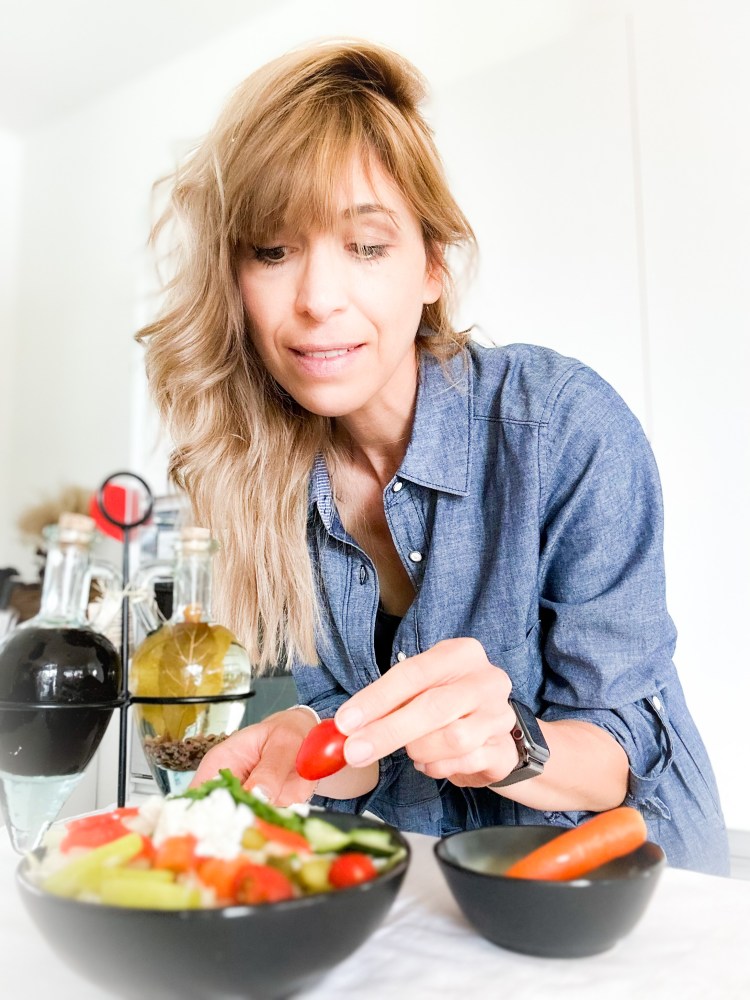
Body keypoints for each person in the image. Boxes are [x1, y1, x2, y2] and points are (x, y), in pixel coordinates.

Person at [137, 38, 729, 875]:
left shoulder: (561, 426)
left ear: (432, 268)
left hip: (629, 891)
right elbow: (367, 747)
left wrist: (510, 743)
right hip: (441, 884)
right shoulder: (264, 478)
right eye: (273, 250)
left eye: (367, 246)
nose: (317, 299)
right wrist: (310, 740)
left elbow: (620, 751)